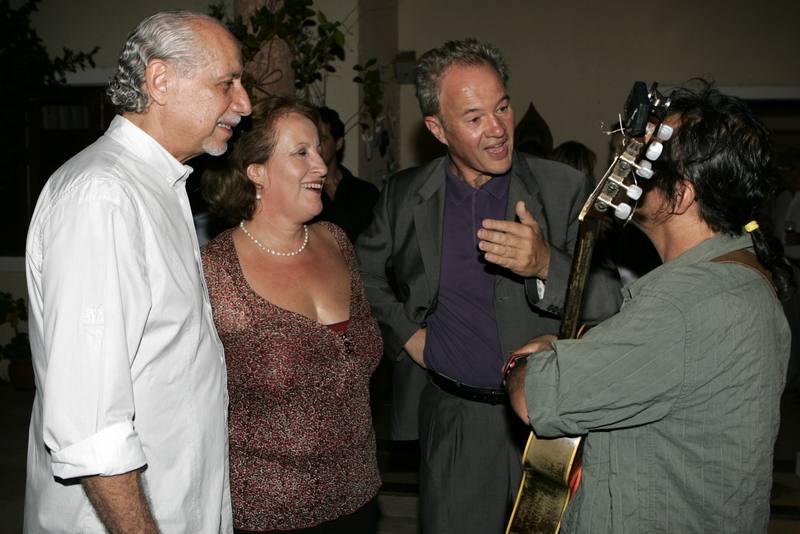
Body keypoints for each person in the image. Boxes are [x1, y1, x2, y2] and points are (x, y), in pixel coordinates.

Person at [356, 38, 621, 533]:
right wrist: (409, 336)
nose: (498, 129)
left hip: (550, 427)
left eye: (502, 107)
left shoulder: (563, 189)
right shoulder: (405, 195)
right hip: (455, 421)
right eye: (475, 117)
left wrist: (545, 264)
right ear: (437, 128)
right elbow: (362, 274)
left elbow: (609, 301)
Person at [507, 83, 793, 532]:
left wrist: (521, 363)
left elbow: (534, 398)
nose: (633, 162)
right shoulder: (741, 273)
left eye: (649, 157)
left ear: (681, 195)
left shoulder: (684, 306)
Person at [23, 11, 251, 533]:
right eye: (227, 84)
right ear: (160, 80)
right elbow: (91, 426)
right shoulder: (103, 197)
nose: (244, 105)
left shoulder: (157, 186)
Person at [201, 96, 382, 533]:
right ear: (257, 171)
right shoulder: (215, 269)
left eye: (319, 149)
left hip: (359, 497)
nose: (320, 165)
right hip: (268, 511)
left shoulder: (337, 242)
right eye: (301, 152)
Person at [312, 105, 379, 243]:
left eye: (322, 139)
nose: (316, 146)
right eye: (312, 139)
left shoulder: (366, 193)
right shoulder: (302, 193)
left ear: (338, 144)